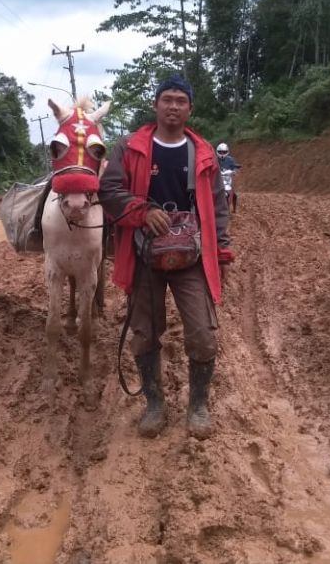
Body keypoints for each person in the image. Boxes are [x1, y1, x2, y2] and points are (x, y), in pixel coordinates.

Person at [99, 74, 233, 439]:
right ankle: (154, 404)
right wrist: (142, 211)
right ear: (155, 104)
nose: (173, 106)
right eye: (167, 99)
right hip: (144, 255)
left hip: (191, 257)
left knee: (203, 334)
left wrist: (221, 251)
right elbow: (109, 190)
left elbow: (219, 206)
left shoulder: (203, 152)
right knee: (144, 333)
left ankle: (198, 406)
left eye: (180, 100)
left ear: (190, 107)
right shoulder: (129, 147)